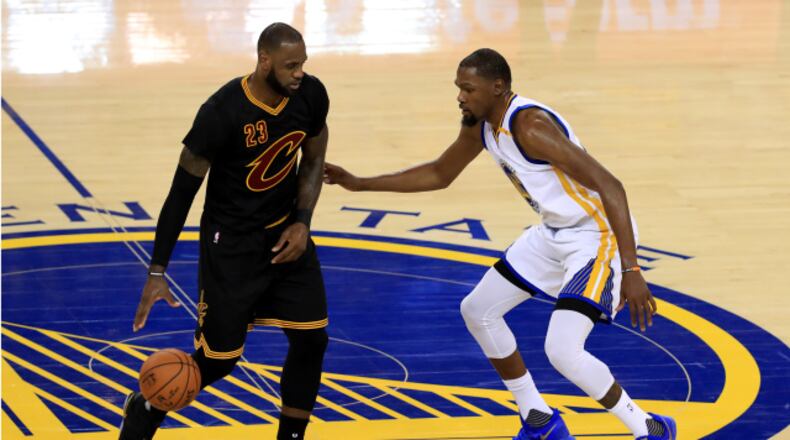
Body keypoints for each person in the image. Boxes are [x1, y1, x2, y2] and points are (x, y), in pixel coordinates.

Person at [324, 48, 676, 440]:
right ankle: (539, 419)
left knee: (562, 351)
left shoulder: (530, 127)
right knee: (478, 310)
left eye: (468, 89)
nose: (460, 97)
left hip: (596, 236)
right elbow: (440, 173)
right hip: (553, 232)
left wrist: (631, 268)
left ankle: (649, 427)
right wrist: (359, 183)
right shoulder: (481, 124)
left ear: (497, 87)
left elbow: (611, 186)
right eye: (458, 88)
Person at [120, 23, 331, 440]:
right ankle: (146, 408)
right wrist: (157, 270)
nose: (299, 73)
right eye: (290, 65)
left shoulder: (311, 95)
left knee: (312, 340)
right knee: (219, 360)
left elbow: (313, 158)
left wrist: (302, 222)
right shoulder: (221, 112)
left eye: (302, 64)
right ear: (264, 61)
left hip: (285, 238)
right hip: (231, 247)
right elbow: (180, 195)